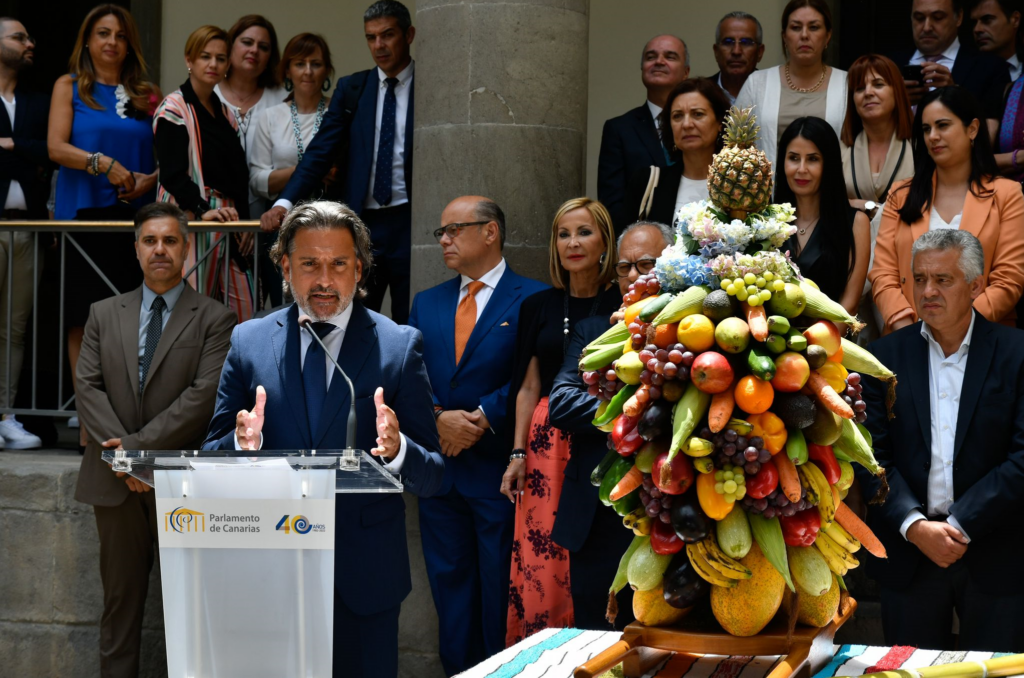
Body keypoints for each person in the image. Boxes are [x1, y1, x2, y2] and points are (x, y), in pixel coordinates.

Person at [203, 200, 444, 678]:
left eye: (338, 264)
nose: (324, 280)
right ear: (285, 266)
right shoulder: (248, 342)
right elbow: (212, 453)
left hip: (364, 581)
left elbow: (435, 475)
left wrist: (398, 452)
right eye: (309, 264)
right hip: (269, 572)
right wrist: (238, 446)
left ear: (359, 269)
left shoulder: (398, 347)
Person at [74, 202, 236, 677]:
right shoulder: (103, 313)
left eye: (170, 240)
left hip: (180, 482)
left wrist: (140, 454)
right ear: (137, 248)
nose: (160, 249)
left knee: (185, 610)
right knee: (119, 607)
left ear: (187, 248)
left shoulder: (215, 318)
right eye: (150, 240)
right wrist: (127, 462)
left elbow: (203, 397)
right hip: (114, 484)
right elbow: (87, 388)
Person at [859, 229, 1024, 650]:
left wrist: (959, 523)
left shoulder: (1017, 352)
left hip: (997, 549)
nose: (928, 291)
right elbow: (869, 458)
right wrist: (915, 527)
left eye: (943, 280)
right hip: (910, 551)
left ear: (976, 285)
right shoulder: (882, 359)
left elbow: (1022, 458)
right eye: (919, 279)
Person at [407, 196, 547, 675]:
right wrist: (439, 417)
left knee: (499, 588)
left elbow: (538, 375)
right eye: (440, 232)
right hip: (439, 473)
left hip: (498, 472)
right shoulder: (426, 302)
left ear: (490, 232)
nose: (443, 240)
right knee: (449, 589)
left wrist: (484, 415)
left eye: (454, 230)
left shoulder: (534, 297)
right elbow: (410, 377)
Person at [502, 198, 620, 644]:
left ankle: (592, 643)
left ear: (605, 241)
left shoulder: (622, 301)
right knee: (541, 554)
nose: (573, 242)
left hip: (600, 436)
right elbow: (528, 387)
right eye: (563, 234)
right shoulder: (539, 305)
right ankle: (545, 652)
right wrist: (516, 452)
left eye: (584, 232)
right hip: (544, 447)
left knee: (592, 549)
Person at [546, 220, 670, 631]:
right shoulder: (593, 332)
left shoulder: (696, 335)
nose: (633, 275)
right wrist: (642, 408)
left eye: (646, 264)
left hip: (671, 514)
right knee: (596, 642)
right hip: (597, 518)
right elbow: (561, 404)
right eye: (623, 267)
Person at [49, 4, 161, 451]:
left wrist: (152, 179)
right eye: (102, 33)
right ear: (88, 40)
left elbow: (162, 154)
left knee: (133, 322)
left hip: (135, 220)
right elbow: (57, 147)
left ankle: (130, 419)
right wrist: (103, 164)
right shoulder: (69, 86)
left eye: (119, 34)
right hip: (82, 217)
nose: (111, 42)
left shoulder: (148, 93)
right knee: (82, 322)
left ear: (130, 41)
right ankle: (89, 425)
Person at [261, 1, 416, 325]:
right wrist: (285, 202)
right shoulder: (354, 88)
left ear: (409, 35)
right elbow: (320, 152)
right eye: (371, 38)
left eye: (387, 35)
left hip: (411, 220)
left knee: (409, 317)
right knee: (354, 318)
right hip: (363, 220)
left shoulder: (428, 86)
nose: (379, 46)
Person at [870, 86, 1024, 333]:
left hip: (984, 336)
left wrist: (957, 330)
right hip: (908, 336)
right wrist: (908, 330)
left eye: (943, 126)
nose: (932, 136)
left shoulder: (1007, 194)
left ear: (972, 129)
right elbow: (883, 275)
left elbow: (1009, 279)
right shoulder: (901, 195)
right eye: (926, 129)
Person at [154, 25, 253, 323]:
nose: (213, 64)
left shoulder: (226, 114)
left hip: (228, 219)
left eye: (221, 58)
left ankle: (235, 371)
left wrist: (246, 221)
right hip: (190, 217)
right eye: (205, 56)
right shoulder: (173, 108)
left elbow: (239, 175)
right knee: (188, 316)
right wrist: (202, 210)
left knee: (243, 313)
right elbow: (171, 175)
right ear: (189, 60)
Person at [249, 32, 334, 307]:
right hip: (283, 224)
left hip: (331, 222)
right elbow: (257, 180)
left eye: (316, 64)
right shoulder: (270, 117)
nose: (308, 71)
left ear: (327, 70)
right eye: (299, 64)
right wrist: (305, 170)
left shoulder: (340, 112)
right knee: (285, 306)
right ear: (287, 70)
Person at [0, 17, 48, 450]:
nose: (29, 43)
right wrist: (26, 152)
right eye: (19, 37)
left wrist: (12, 146)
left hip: (28, 225)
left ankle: (6, 415)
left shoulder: (37, 100)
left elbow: (47, 151)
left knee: (14, 329)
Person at [736, 0, 847, 169]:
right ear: (784, 36)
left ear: (828, 36)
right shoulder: (757, 83)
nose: (804, 35)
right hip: (769, 192)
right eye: (795, 27)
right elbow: (734, 146)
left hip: (831, 192)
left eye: (814, 27)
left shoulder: (847, 84)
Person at [778, 117, 870, 320]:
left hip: (831, 343)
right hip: (771, 342)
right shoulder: (768, 222)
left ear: (829, 164)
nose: (801, 169)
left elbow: (850, 304)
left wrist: (817, 347)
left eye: (812, 159)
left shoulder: (856, 223)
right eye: (794, 158)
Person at [597, 35, 690, 232]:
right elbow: (611, 205)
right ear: (642, 69)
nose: (659, 61)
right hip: (640, 251)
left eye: (670, 56)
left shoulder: (700, 127)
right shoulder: (619, 129)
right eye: (651, 57)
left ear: (686, 72)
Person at [891, 0, 1009, 137]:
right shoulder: (890, 64)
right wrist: (896, 101)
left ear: (958, 17)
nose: (927, 27)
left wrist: (955, 96)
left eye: (938, 17)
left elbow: (987, 141)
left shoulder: (990, 68)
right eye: (919, 18)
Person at [624, 78, 730, 226]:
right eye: (677, 116)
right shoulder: (647, 183)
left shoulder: (742, 184)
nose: (686, 124)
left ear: (720, 122)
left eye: (698, 114)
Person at [841, 55, 916, 218]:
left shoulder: (920, 145)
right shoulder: (840, 149)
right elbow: (826, 204)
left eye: (878, 84)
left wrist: (861, 205)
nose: (868, 93)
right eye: (859, 88)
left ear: (896, 91)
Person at [710, 11, 765, 105]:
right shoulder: (699, 93)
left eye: (746, 42)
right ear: (716, 52)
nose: (736, 51)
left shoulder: (773, 92)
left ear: (759, 52)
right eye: (728, 42)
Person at [971, 0, 1022, 81]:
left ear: (1015, 20)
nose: (977, 29)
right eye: (974, 23)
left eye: (987, 20)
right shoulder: (968, 74)